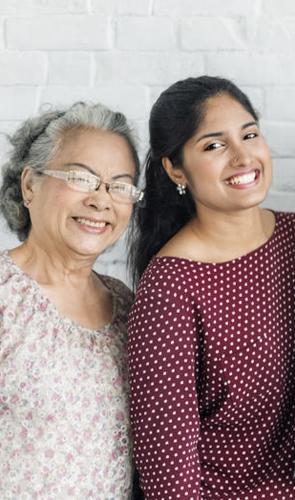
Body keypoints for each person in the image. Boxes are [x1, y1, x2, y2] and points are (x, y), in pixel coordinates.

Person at [125, 76, 295, 499]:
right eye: (214, 146)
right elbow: (168, 476)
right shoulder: (170, 287)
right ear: (175, 168)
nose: (243, 156)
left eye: (249, 134)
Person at [0, 102, 142, 498]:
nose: (102, 200)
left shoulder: (128, 307)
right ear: (30, 185)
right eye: (82, 178)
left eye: (120, 185)